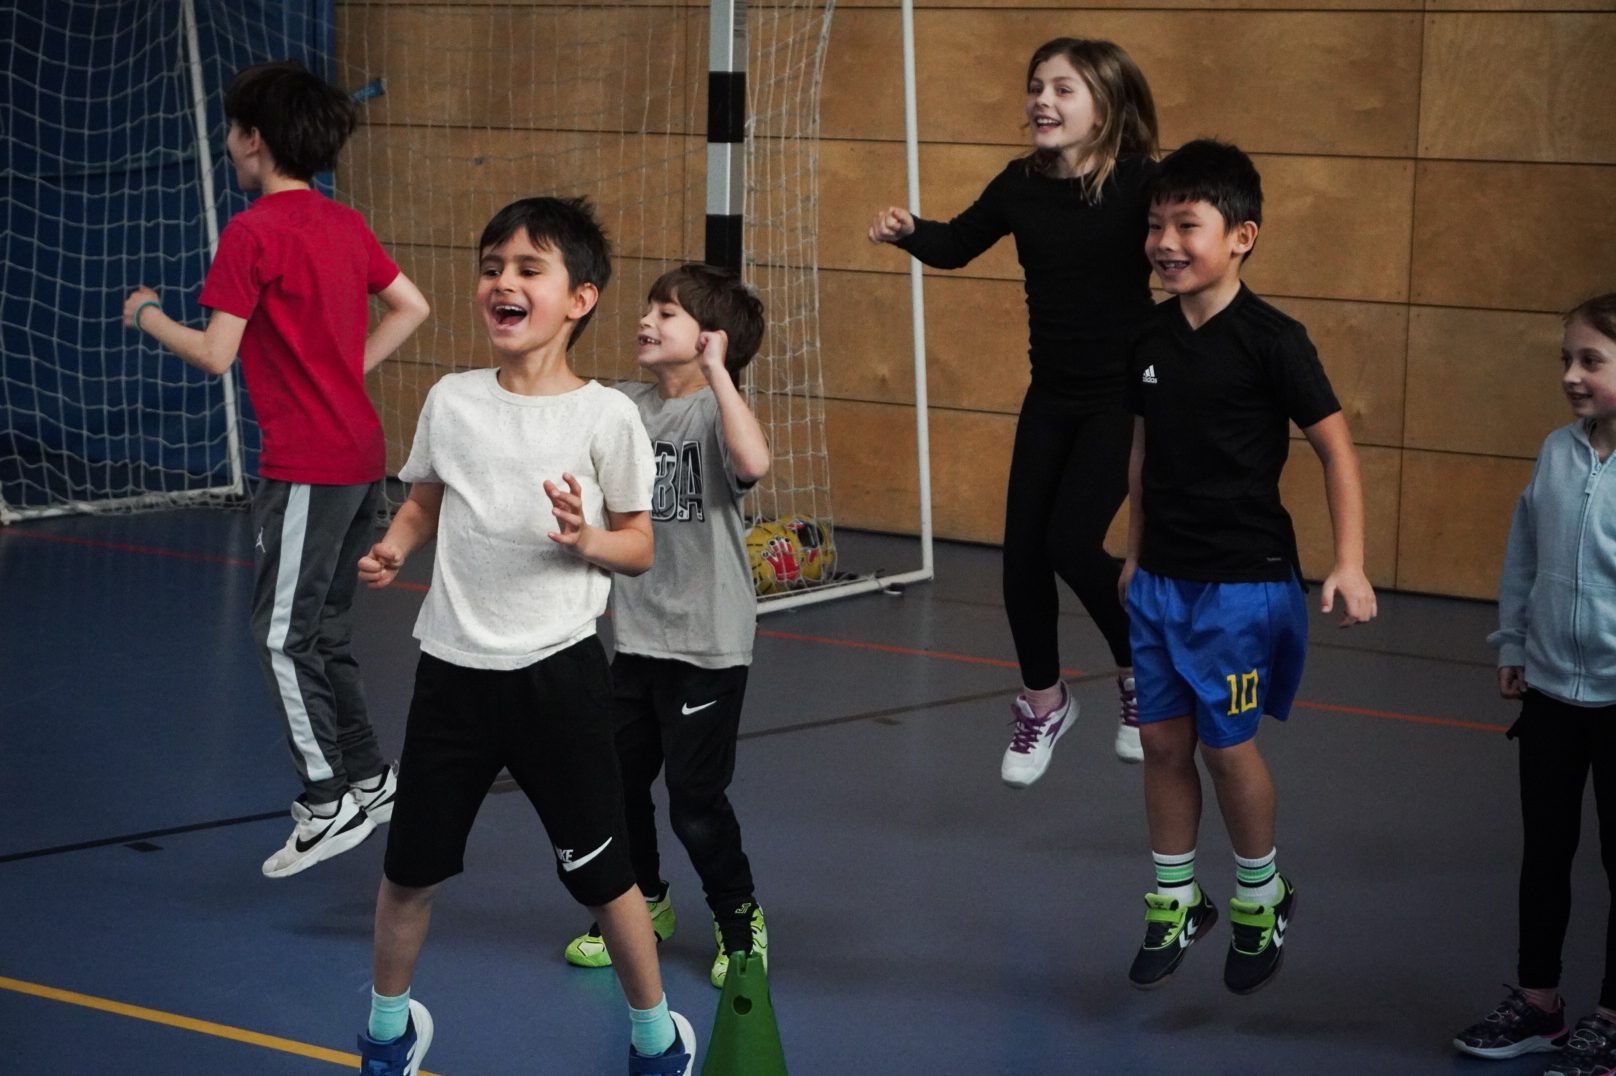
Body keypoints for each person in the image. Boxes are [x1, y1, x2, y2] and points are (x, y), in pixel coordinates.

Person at [350, 196, 695, 1076]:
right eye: (492, 267)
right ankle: (387, 1032)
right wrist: (396, 544)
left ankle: (656, 1038)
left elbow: (640, 545)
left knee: (603, 876)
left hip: (558, 678)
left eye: (527, 269)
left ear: (579, 298)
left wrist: (587, 540)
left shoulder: (606, 416)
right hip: (452, 674)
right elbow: (425, 500)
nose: (502, 281)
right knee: (409, 871)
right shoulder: (452, 400)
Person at [121, 60, 430, 879]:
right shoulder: (345, 223)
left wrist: (147, 315)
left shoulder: (252, 233)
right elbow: (414, 306)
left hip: (307, 466)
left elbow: (215, 353)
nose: (228, 143)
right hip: (361, 456)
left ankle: (326, 801)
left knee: (280, 637)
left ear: (254, 139)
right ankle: (371, 778)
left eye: (232, 130)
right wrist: (346, 370)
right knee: (323, 632)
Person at [1118, 140, 1377, 995]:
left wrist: (1349, 561)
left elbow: (1336, 452)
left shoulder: (1274, 340)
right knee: (1161, 740)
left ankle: (1261, 894)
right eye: (1156, 224)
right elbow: (1143, 453)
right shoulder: (1148, 336)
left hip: (1242, 583)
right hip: (1161, 580)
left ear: (1242, 237)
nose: (1165, 241)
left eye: (1186, 224)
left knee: (1227, 749)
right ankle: (1175, 897)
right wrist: (1134, 550)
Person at [867, 37, 1160, 784]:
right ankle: (1045, 699)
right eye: (1036, 87)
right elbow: (957, 244)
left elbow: (1193, 246)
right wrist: (911, 232)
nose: (1042, 101)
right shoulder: (1020, 184)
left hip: (1120, 398)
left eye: (1063, 89)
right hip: (1052, 397)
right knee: (1021, 555)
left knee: (1071, 542)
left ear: (1106, 108)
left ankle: (1143, 673)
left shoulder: (1141, 183)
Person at [562, 264, 773, 989]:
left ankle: (739, 919)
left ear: (711, 338)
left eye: (667, 313)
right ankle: (646, 902)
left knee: (694, 802)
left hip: (708, 643)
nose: (646, 320)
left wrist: (719, 374)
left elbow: (754, 461)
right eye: (648, 308)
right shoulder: (625, 404)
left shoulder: (717, 412)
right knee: (619, 784)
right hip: (637, 639)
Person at [1452, 293, 1616, 1076]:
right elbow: (1525, 554)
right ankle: (1539, 1004)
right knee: (1544, 854)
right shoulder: (1557, 451)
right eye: (1566, 360)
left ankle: (1611, 1020)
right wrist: (1514, 642)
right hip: (1551, 694)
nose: (1572, 376)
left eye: (1592, 361)